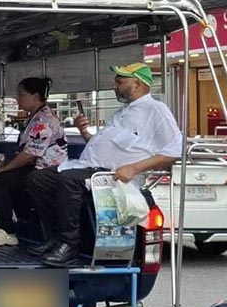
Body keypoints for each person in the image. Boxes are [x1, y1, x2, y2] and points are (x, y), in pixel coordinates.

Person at [30, 63, 182, 266]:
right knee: (38, 179)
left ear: (138, 84)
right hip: (89, 168)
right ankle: (55, 237)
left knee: (69, 180)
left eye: (120, 82)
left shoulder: (156, 110)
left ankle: (69, 246)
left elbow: (175, 150)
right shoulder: (123, 112)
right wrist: (84, 132)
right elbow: (105, 145)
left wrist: (134, 168)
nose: (115, 86)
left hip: (114, 176)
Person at [0, 77, 67, 246]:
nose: (18, 99)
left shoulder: (43, 121)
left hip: (46, 171)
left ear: (35, 96)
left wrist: (6, 168)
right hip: (36, 167)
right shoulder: (34, 118)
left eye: (21, 95)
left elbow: (30, 154)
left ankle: (7, 231)